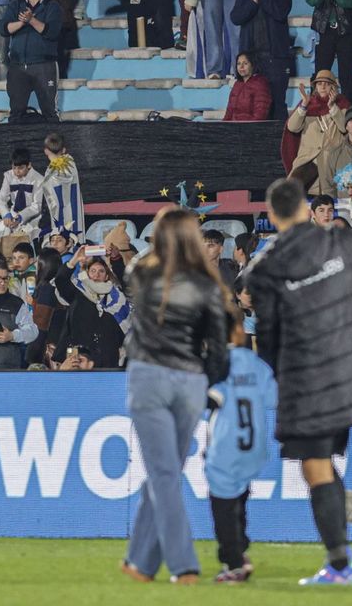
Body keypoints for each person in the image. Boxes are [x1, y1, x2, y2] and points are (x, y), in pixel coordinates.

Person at [246, 180, 352, 586]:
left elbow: (269, 336)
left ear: (273, 216)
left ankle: (339, 565)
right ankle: (340, 509)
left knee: (315, 468)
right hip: (351, 378)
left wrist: (282, 375)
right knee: (323, 465)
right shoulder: (339, 242)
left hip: (308, 382)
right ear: (305, 208)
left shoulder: (267, 268)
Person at [119, 209, 229, 584]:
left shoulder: (142, 272)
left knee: (163, 473)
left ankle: (184, 565)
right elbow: (219, 352)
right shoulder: (209, 283)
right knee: (166, 473)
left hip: (149, 377)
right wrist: (203, 379)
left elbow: (118, 253)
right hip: (190, 382)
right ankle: (140, 563)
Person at [205, 324, 276, 583]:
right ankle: (241, 548)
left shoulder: (220, 363)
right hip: (254, 447)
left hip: (226, 446)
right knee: (239, 497)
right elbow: (273, 398)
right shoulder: (258, 365)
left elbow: (211, 399)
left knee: (222, 505)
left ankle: (233, 562)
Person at [230, 0, 292, 119]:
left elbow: (279, 13)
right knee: (253, 104)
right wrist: (253, 1)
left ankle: (279, 140)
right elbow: (236, 18)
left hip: (275, 58)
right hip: (252, 59)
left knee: (277, 102)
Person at [51, 247, 130, 368]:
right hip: (77, 357)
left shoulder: (118, 298)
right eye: (92, 271)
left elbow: (128, 284)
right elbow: (61, 280)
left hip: (106, 358)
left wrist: (116, 259)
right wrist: (74, 260)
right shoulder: (78, 292)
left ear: (107, 276)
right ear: (87, 273)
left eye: (101, 271)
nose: (96, 275)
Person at [0, 0, 62, 121]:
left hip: (44, 65)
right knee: (16, 113)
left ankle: (53, 145)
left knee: (50, 113)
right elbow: (3, 28)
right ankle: (16, 145)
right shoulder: (16, 4)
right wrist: (22, 22)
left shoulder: (53, 6)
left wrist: (31, 20)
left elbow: (52, 32)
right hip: (18, 66)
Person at [283, 69, 348, 179]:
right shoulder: (308, 104)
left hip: (332, 160)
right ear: (315, 87)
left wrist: (332, 107)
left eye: (327, 84)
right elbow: (292, 128)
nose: (323, 87)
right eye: (319, 84)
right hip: (308, 160)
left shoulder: (342, 104)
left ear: (334, 87)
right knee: (291, 188)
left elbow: (344, 128)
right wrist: (304, 104)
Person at [41, 131, 85, 242]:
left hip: (59, 215)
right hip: (73, 214)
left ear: (46, 151)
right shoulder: (70, 163)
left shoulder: (53, 172)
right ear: (64, 150)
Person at [0, 147, 43, 240]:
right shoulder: (8, 176)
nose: (17, 171)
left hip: (31, 218)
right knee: (1, 233)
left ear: (29, 165)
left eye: (20, 168)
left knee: (29, 236)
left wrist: (21, 217)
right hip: (12, 215)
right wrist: (6, 214)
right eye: (14, 167)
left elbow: (37, 206)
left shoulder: (38, 179)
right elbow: (1, 199)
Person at [222, 53, 271, 121]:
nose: (241, 67)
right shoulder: (237, 84)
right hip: (233, 127)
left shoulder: (260, 84)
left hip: (250, 128)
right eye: (238, 64)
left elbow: (260, 114)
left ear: (252, 65)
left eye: (245, 63)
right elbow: (229, 112)